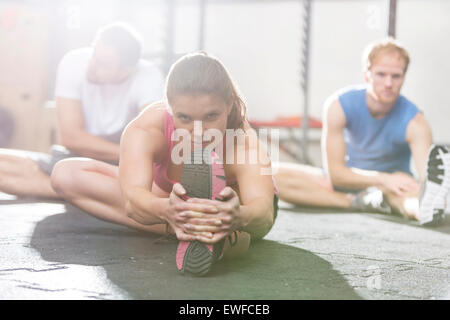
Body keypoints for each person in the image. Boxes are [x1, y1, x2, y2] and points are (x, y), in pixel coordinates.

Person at [50, 52, 277, 276]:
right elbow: (132, 200)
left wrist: (238, 216)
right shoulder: (147, 128)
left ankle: (212, 232)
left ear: (228, 105)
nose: (198, 132)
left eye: (210, 116)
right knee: (66, 174)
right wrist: (166, 209)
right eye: (185, 118)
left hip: (232, 212)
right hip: (168, 201)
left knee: (242, 233)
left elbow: (264, 213)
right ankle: (194, 229)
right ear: (169, 107)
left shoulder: (244, 141)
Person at [273, 37, 449, 226]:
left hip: (392, 191)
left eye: (396, 76)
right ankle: (359, 202)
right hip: (347, 183)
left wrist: (406, 188)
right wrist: (383, 179)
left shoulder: (417, 123)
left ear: (403, 78)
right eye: (381, 74)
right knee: (270, 174)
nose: (388, 83)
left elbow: (427, 183)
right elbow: (336, 175)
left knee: (412, 195)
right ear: (367, 75)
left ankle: (422, 212)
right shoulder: (338, 105)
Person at [0, 22, 164, 198]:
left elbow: (151, 140)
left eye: (103, 64)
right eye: (94, 54)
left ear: (126, 71)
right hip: (78, 157)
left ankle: (76, 188)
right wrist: (132, 151)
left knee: (145, 180)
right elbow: (72, 138)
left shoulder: (148, 77)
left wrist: (132, 156)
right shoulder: (74, 62)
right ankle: (84, 191)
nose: (92, 65)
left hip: (121, 163)